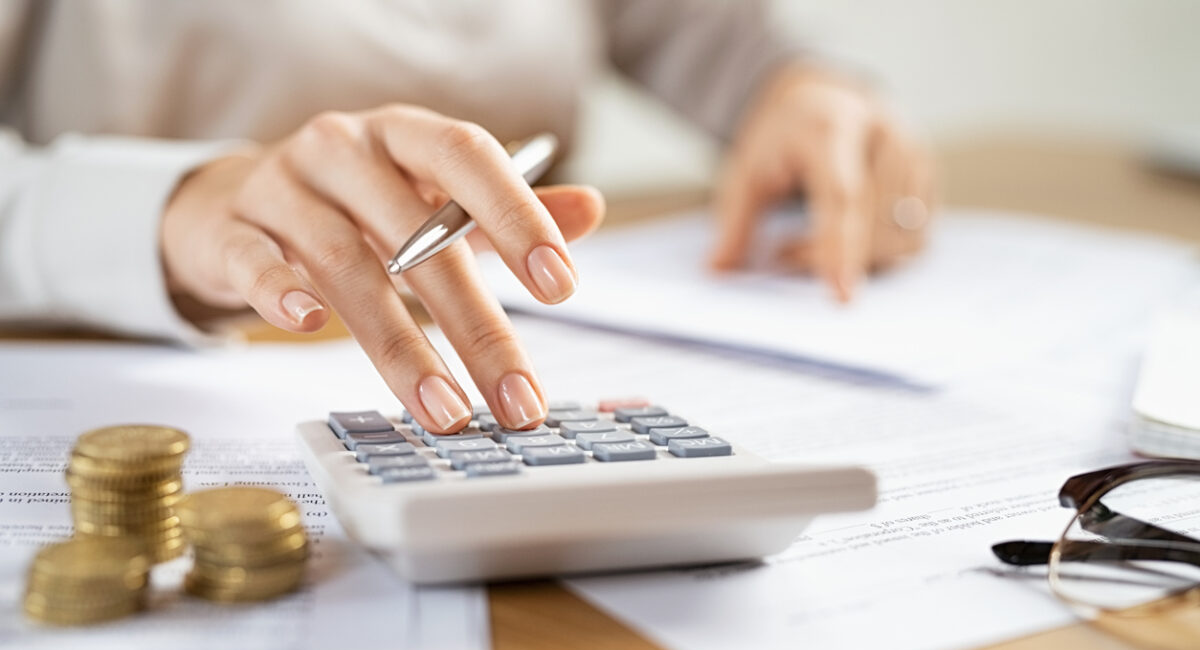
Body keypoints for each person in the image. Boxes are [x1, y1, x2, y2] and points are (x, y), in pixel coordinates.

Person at [0, 0, 933, 433]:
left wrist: (803, 92)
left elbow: (720, 40)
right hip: (145, 355)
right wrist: (172, 206)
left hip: (562, 346)